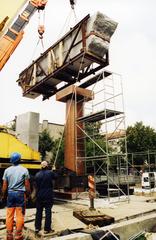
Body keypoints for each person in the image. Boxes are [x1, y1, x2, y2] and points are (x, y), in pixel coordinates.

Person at [1, 152, 31, 240]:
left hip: (10, 193)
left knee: (9, 214)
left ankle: (9, 235)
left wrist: (3, 195)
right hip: (20, 194)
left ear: (11, 161)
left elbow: (4, 185)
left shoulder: (7, 170)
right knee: (19, 215)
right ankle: (18, 235)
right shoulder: (24, 170)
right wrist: (28, 195)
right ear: (20, 160)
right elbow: (27, 185)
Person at [34, 160, 57, 234]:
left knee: (39, 212)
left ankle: (37, 228)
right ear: (47, 166)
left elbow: (36, 185)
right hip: (48, 195)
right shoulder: (50, 173)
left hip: (39, 195)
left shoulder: (37, 174)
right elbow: (56, 177)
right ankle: (47, 229)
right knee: (48, 211)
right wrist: (54, 170)